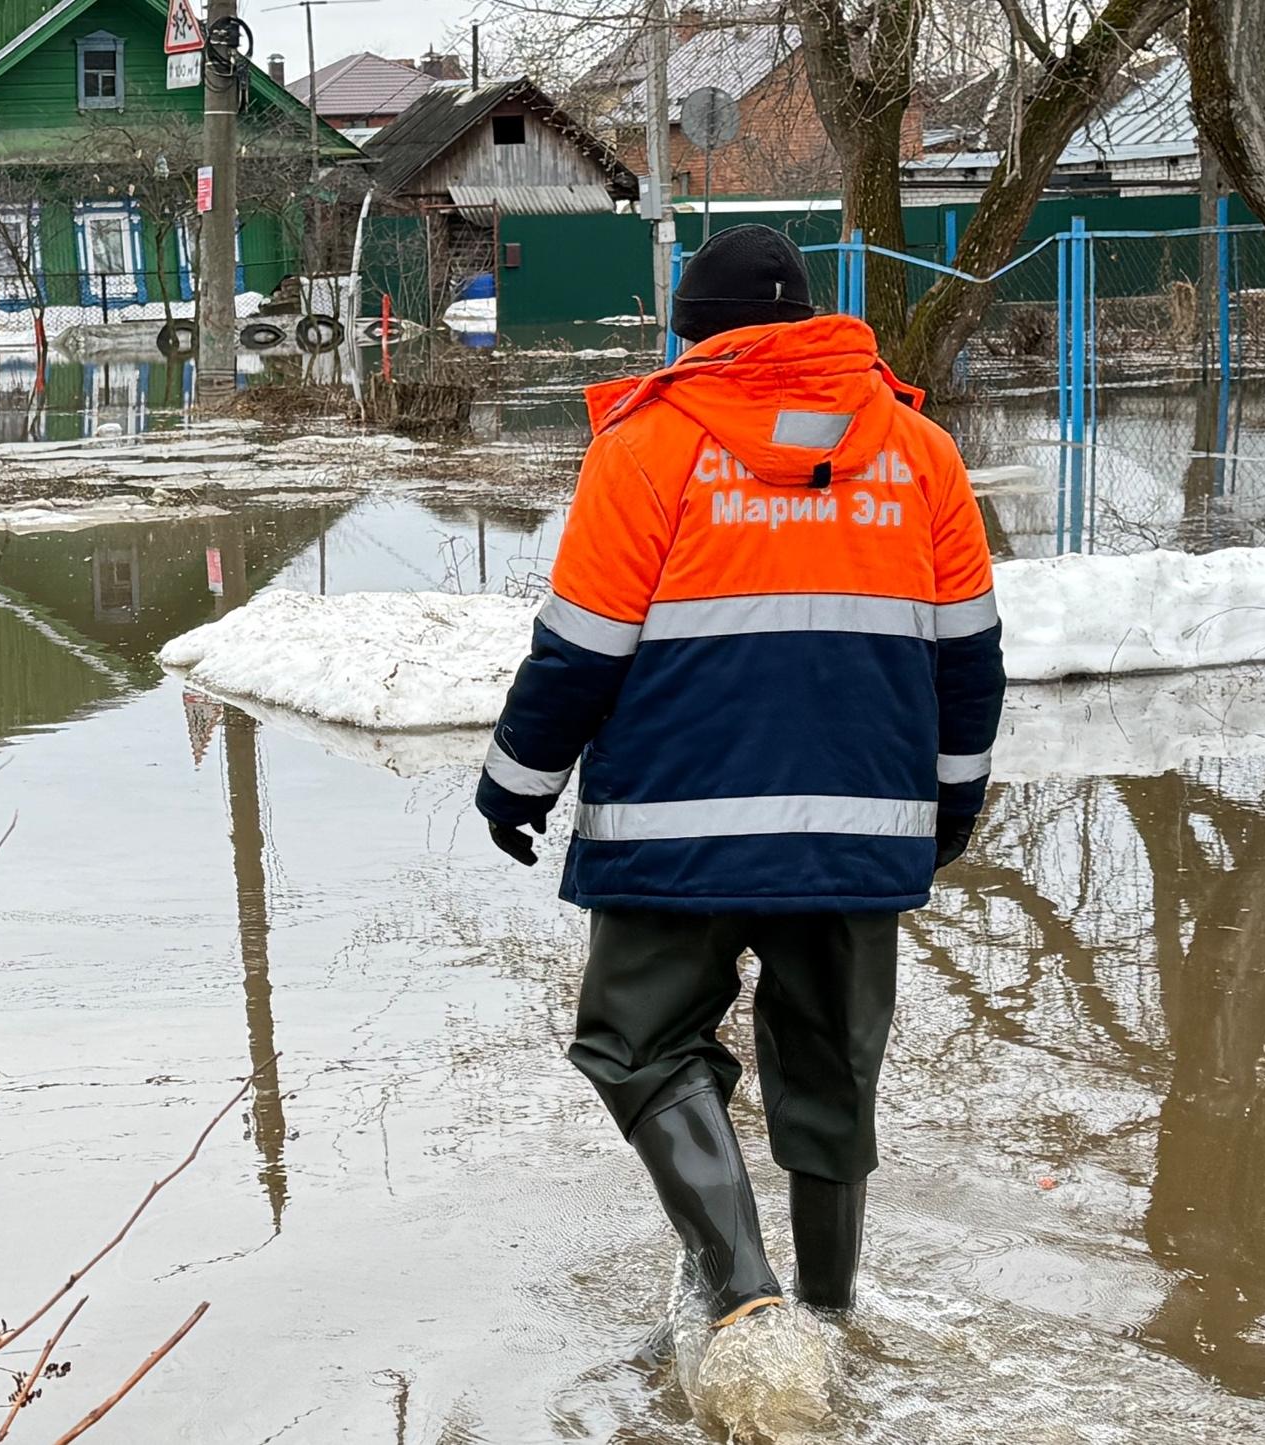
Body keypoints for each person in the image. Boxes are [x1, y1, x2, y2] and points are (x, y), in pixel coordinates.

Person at [474, 225, 1006, 1341]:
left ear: (692, 336)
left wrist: (516, 786)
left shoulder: (647, 447)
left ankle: (743, 1293)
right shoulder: (920, 453)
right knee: (831, 1072)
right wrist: (950, 804)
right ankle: (832, 1317)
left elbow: (579, 652)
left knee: (638, 1043)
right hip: (860, 831)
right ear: (807, 325)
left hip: (675, 829)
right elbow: (970, 659)